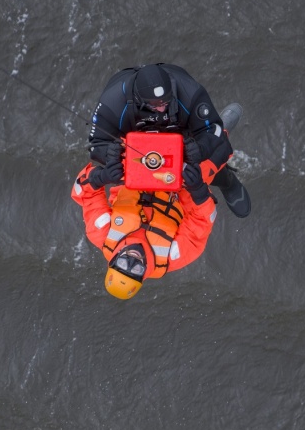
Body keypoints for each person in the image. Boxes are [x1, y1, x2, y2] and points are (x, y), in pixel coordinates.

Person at [88, 62, 251, 218]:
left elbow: (212, 128)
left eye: (166, 102)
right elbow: (96, 145)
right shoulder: (111, 102)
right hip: (137, 152)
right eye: (154, 105)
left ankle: (227, 181)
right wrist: (110, 154)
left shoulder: (190, 90)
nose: (161, 108)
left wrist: (200, 149)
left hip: (182, 137)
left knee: (213, 152)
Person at [71, 142, 218, 300]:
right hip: (179, 182)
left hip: (135, 165)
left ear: (113, 261)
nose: (132, 260)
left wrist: (101, 177)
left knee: (115, 136)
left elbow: (83, 192)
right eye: (135, 271)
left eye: (122, 265)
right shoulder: (173, 256)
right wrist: (197, 190)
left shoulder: (101, 233)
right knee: (215, 152)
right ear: (143, 275)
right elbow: (203, 220)